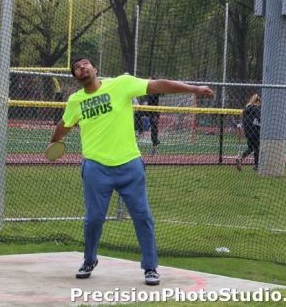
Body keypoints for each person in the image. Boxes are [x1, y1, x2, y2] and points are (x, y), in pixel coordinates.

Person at [48, 57, 214, 285]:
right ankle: (89, 259)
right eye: (77, 67)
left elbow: (159, 84)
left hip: (130, 166)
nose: (82, 67)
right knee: (93, 220)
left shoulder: (122, 84)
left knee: (143, 217)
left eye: (85, 63)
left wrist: (193, 88)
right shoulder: (75, 101)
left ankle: (150, 267)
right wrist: (53, 143)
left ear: (95, 69)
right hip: (96, 168)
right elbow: (64, 124)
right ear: (76, 77)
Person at [236, 94, 262, 171]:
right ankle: (256, 165)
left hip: (247, 132)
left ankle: (241, 158)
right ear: (257, 102)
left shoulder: (246, 108)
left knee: (250, 148)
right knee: (257, 148)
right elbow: (259, 119)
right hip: (256, 132)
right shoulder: (256, 109)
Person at [147, 76, 161, 154]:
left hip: (154, 112)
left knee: (154, 129)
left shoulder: (155, 90)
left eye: (150, 80)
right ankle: (140, 131)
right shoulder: (148, 90)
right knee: (137, 114)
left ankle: (154, 147)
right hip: (147, 111)